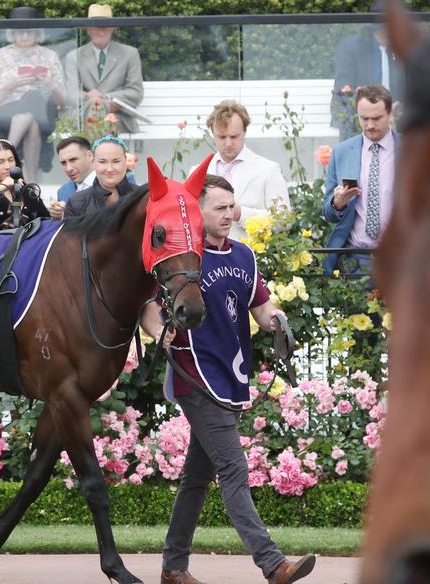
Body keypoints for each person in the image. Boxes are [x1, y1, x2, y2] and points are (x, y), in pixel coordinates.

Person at [140, 173, 316, 584]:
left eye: (230, 206)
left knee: (197, 478)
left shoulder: (243, 255)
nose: (229, 213)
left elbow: (262, 309)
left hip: (230, 375)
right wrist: (159, 334)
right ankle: (273, 564)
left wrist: (278, 323)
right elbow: (147, 306)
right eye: (219, 207)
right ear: (198, 213)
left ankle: (173, 566)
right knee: (234, 469)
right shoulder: (185, 257)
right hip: (195, 375)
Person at [0, 7, 66, 183]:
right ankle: (31, 179)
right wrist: (10, 85)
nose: (25, 35)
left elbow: (62, 101)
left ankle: (5, 153)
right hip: (6, 113)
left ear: (37, 32)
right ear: (12, 32)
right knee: (31, 110)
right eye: (20, 31)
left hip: (44, 112)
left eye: (30, 31)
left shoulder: (49, 56)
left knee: (33, 99)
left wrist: (49, 84)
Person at [322, 84, 397, 277]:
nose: (370, 125)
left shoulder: (413, 150)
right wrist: (337, 203)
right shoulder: (342, 153)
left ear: (389, 113)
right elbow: (328, 213)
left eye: (377, 118)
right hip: (354, 258)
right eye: (364, 118)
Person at [205, 99, 289, 241]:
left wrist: (240, 214)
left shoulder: (268, 170)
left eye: (234, 136)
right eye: (221, 137)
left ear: (245, 131)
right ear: (212, 133)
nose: (228, 143)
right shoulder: (199, 171)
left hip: (253, 259)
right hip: (209, 258)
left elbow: (284, 220)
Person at [64, 3, 145, 133]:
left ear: (113, 28)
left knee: (99, 111)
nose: (101, 31)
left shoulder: (130, 53)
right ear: (88, 29)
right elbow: (71, 94)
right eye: (96, 26)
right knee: (95, 109)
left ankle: (94, 153)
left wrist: (105, 97)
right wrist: (92, 99)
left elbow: (136, 93)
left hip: (118, 117)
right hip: (83, 117)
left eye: (106, 26)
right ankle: (102, 153)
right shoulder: (74, 56)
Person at [330, 17, 402, 140]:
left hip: (399, 118)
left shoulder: (404, 48)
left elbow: (414, 85)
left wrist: (401, 105)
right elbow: (343, 89)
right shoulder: (352, 48)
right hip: (362, 119)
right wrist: (373, 109)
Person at [63, 135, 135, 219]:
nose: (109, 169)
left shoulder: (143, 198)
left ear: (125, 161)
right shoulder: (76, 202)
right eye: (102, 162)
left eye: (116, 161)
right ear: (93, 162)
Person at [51, 135, 93, 219]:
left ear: (90, 156)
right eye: (63, 163)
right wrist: (59, 216)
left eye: (73, 160)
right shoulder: (63, 191)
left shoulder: (109, 183)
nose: (68, 168)